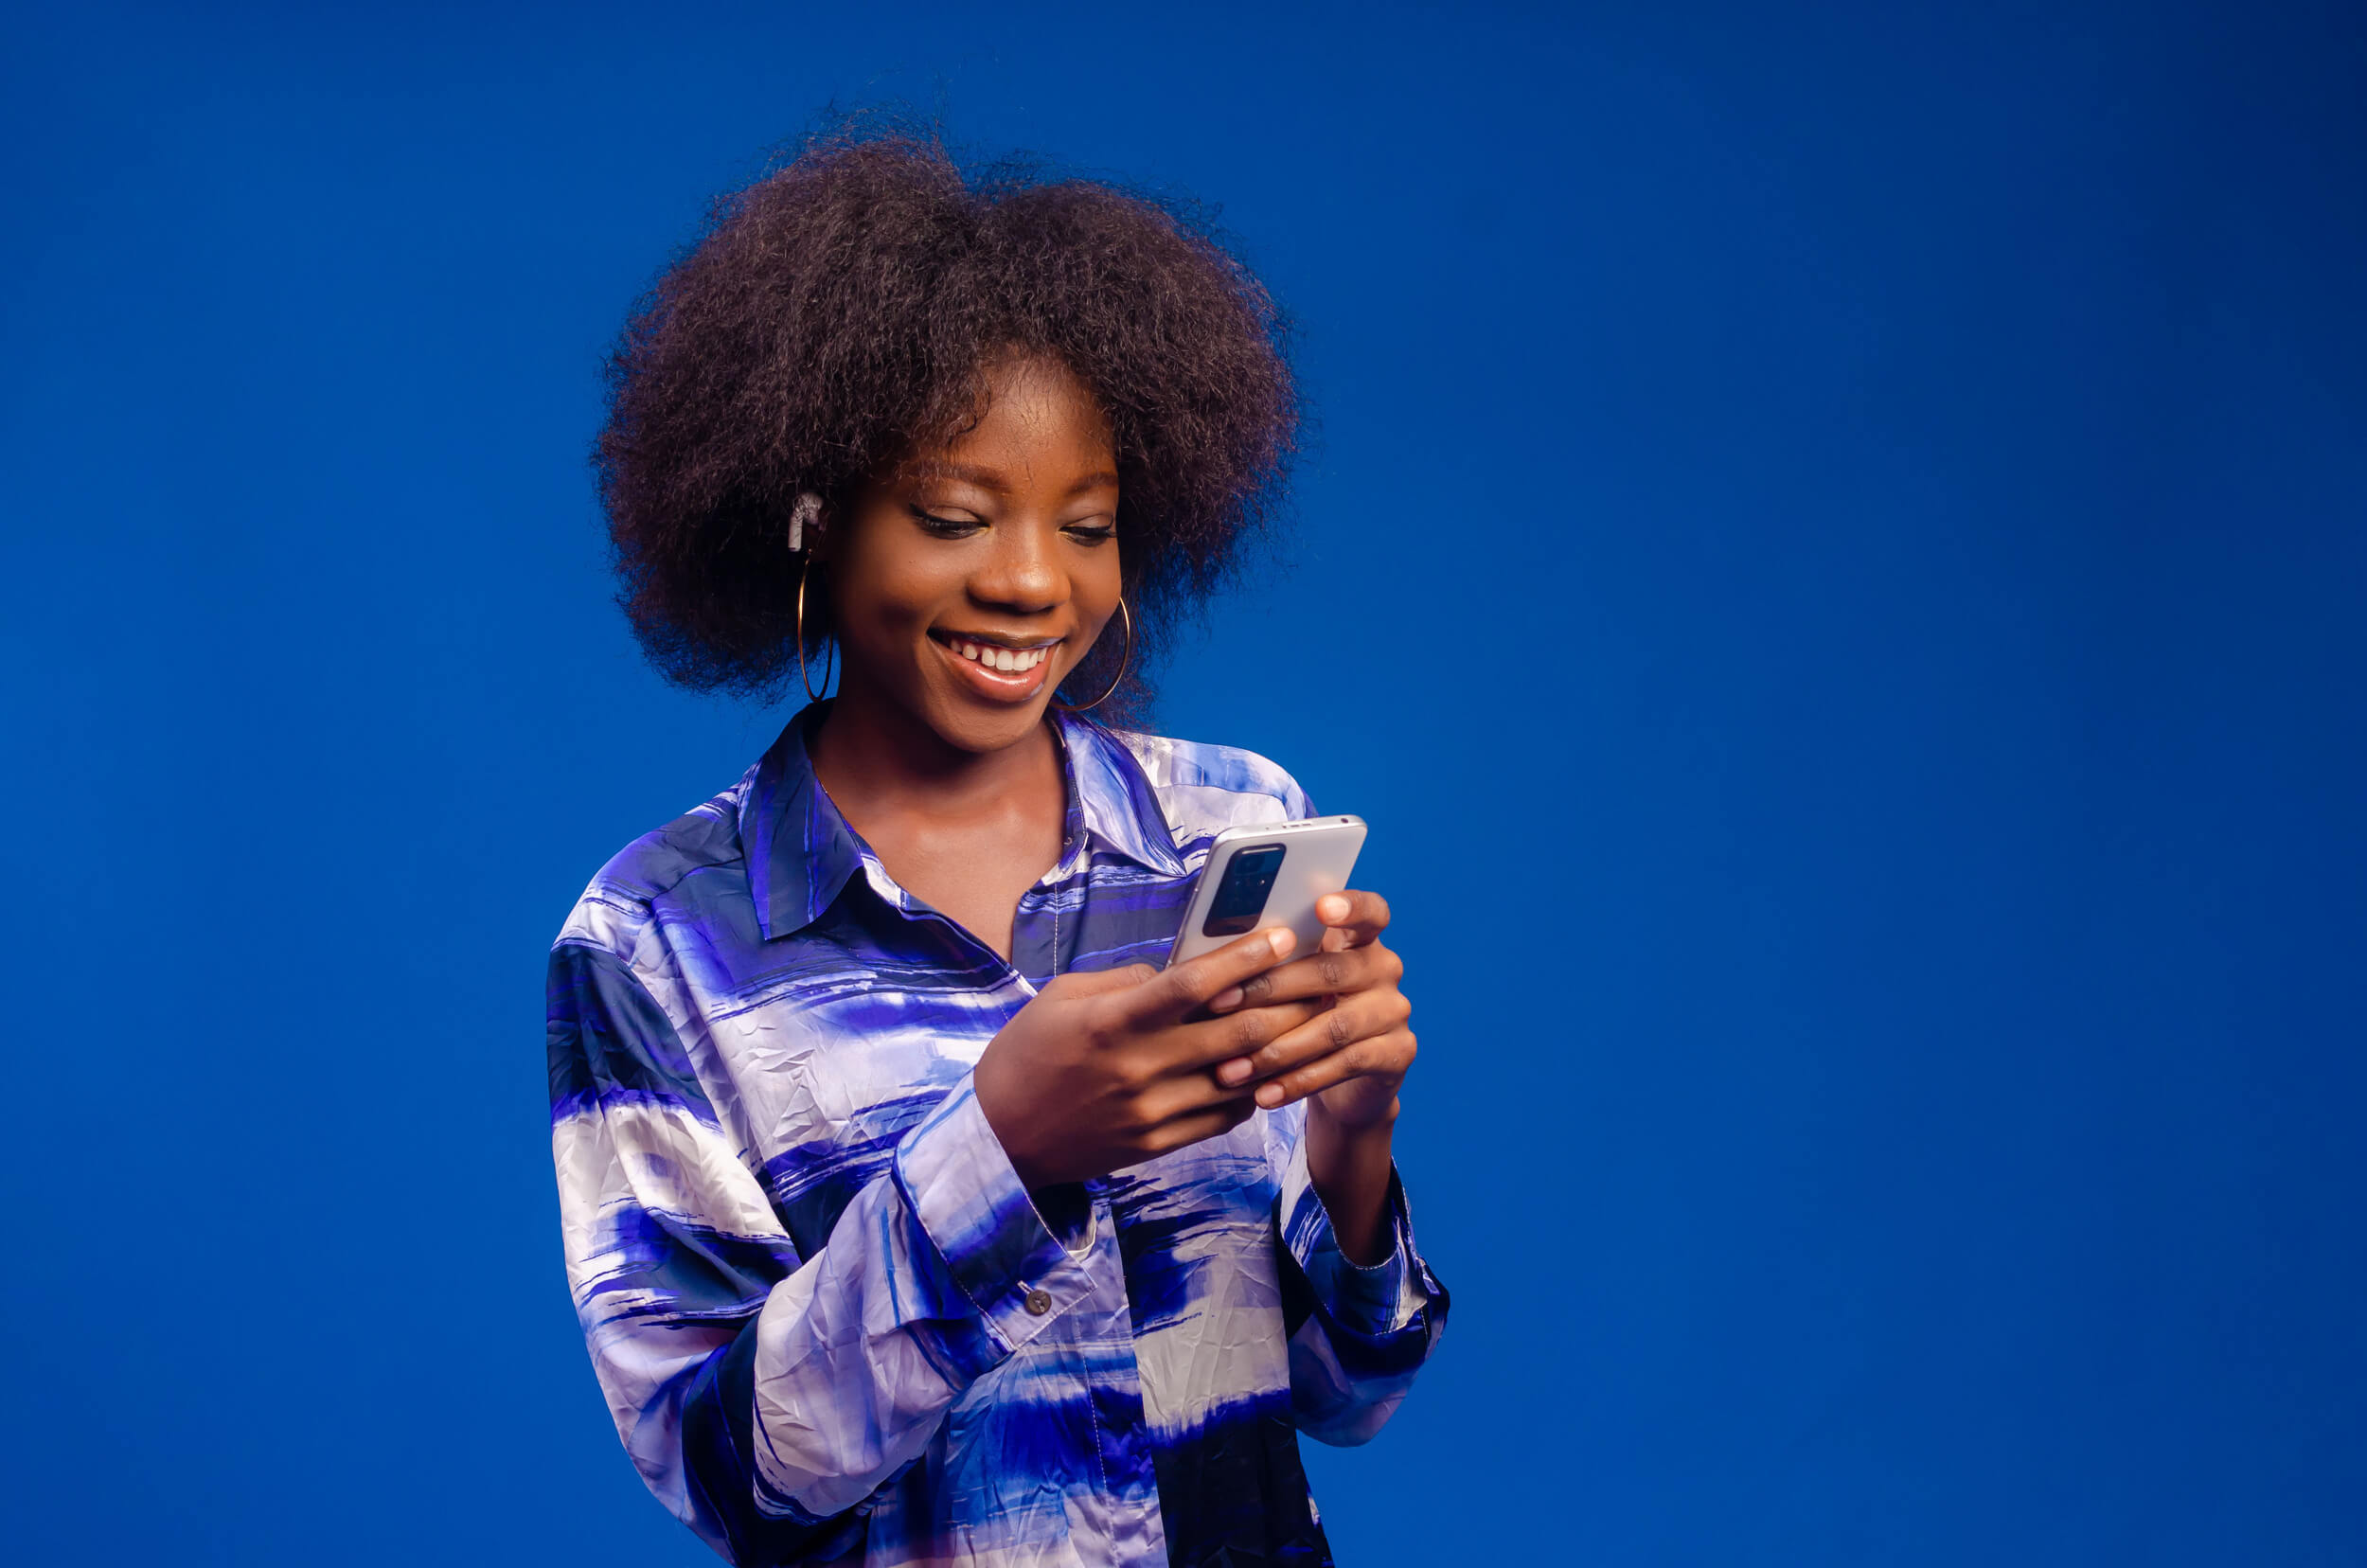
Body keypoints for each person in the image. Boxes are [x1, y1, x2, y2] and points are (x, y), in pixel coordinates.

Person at [548, 123, 1448, 1568]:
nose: (1033, 581)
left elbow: (1346, 1397)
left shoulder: (1227, 828)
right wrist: (1004, 1151)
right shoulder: (659, 940)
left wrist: (1353, 1135)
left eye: (1087, 525)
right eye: (954, 516)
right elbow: (728, 1478)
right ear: (812, 520)